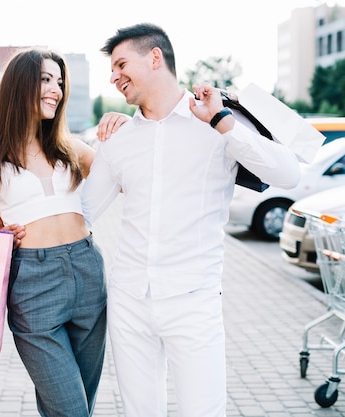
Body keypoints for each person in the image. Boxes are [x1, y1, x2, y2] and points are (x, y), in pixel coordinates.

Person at [81, 23, 302, 417]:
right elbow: (83, 211)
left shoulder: (217, 122)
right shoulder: (119, 139)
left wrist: (222, 122)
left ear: (154, 57)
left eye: (120, 64)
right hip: (129, 300)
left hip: (194, 300)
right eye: (110, 71)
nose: (114, 77)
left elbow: (288, 174)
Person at [0, 48, 126, 417]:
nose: (57, 90)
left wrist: (127, 129)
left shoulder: (72, 149)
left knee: (82, 401)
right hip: (33, 284)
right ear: (20, 86)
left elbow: (131, 180)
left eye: (60, 82)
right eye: (47, 80)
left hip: (86, 270)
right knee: (70, 410)